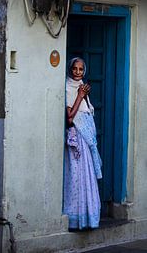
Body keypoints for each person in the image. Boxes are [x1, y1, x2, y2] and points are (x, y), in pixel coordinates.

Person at [63, 57, 102, 230]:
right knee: (78, 175)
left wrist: (83, 95)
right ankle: (76, 218)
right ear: (70, 70)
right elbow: (70, 117)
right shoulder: (68, 87)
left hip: (87, 138)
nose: (78, 72)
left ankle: (89, 217)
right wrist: (79, 96)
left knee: (88, 174)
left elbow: (87, 112)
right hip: (78, 138)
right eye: (75, 69)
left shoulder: (82, 88)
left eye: (80, 69)